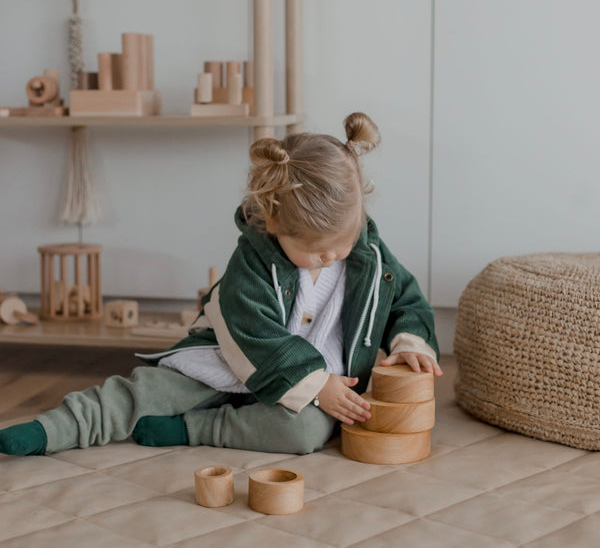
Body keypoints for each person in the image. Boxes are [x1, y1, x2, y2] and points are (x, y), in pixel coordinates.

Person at [0, 112, 442, 457]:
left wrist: (409, 344)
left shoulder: (367, 252)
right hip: (236, 361)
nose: (332, 259)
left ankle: (199, 429)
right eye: (318, 251)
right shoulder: (252, 260)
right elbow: (254, 334)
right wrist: (314, 381)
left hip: (308, 387)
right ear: (273, 223)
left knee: (307, 432)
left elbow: (405, 297)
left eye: (340, 247)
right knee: (147, 392)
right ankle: (58, 428)